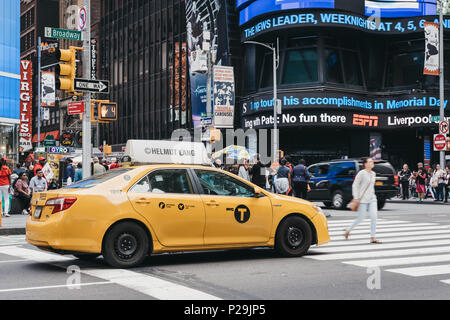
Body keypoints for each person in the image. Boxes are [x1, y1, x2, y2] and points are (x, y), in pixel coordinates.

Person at [344, 157, 381, 244]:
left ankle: (373, 237)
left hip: (372, 199)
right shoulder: (361, 173)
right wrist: (356, 197)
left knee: (374, 217)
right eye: (370, 161)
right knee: (360, 218)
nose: (372, 162)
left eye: (372, 161)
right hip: (362, 200)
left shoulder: (373, 174)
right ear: (365, 164)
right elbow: (355, 185)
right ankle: (348, 230)